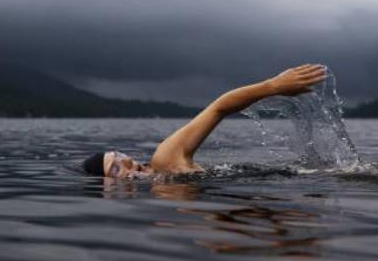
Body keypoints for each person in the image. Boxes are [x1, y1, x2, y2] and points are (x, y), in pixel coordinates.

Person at [83, 64, 327, 178]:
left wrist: (273, 86)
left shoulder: (164, 159)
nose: (125, 161)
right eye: (115, 168)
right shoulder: (160, 181)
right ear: (109, 187)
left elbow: (218, 108)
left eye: (118, 155)